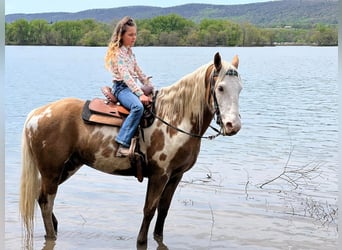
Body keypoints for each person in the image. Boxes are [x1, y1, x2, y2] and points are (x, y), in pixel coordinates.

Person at [105, 16, 152, 157]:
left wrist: (148, 84)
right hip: (121, 88)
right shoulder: (118, 53)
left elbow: (138, 71)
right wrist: (140, 94)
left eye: (135, 34)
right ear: (121, 35)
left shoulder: (130, 53)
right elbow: (126, 77)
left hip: (130, 87)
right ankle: (122, 143)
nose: (134, 37)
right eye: (130, 35)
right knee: (138, 107)